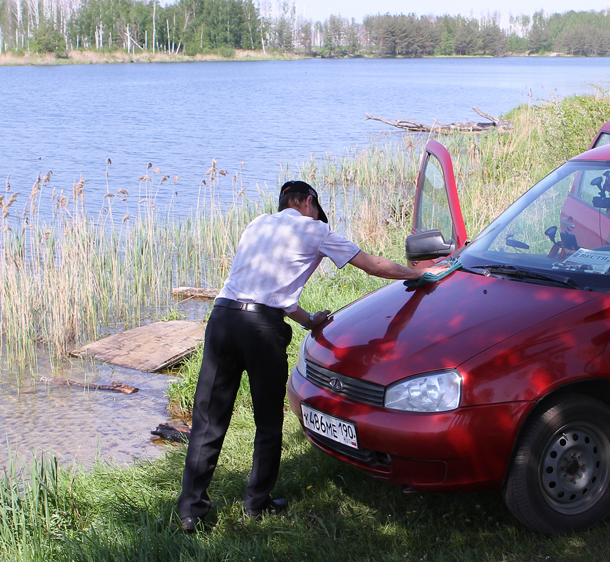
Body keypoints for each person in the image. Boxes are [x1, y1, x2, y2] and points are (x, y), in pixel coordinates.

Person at [178, 180, 441, 532]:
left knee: (208, 418)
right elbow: (371, 264)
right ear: (307, 201)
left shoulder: (257, 224)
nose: (318, 215)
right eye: (317, 209)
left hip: (222, 319)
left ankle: (191, 512)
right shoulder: (314, 229)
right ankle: (257, 504)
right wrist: (418, 274)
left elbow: (275, 293)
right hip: (260, 330)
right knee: (268, 422)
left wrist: (309, 321)